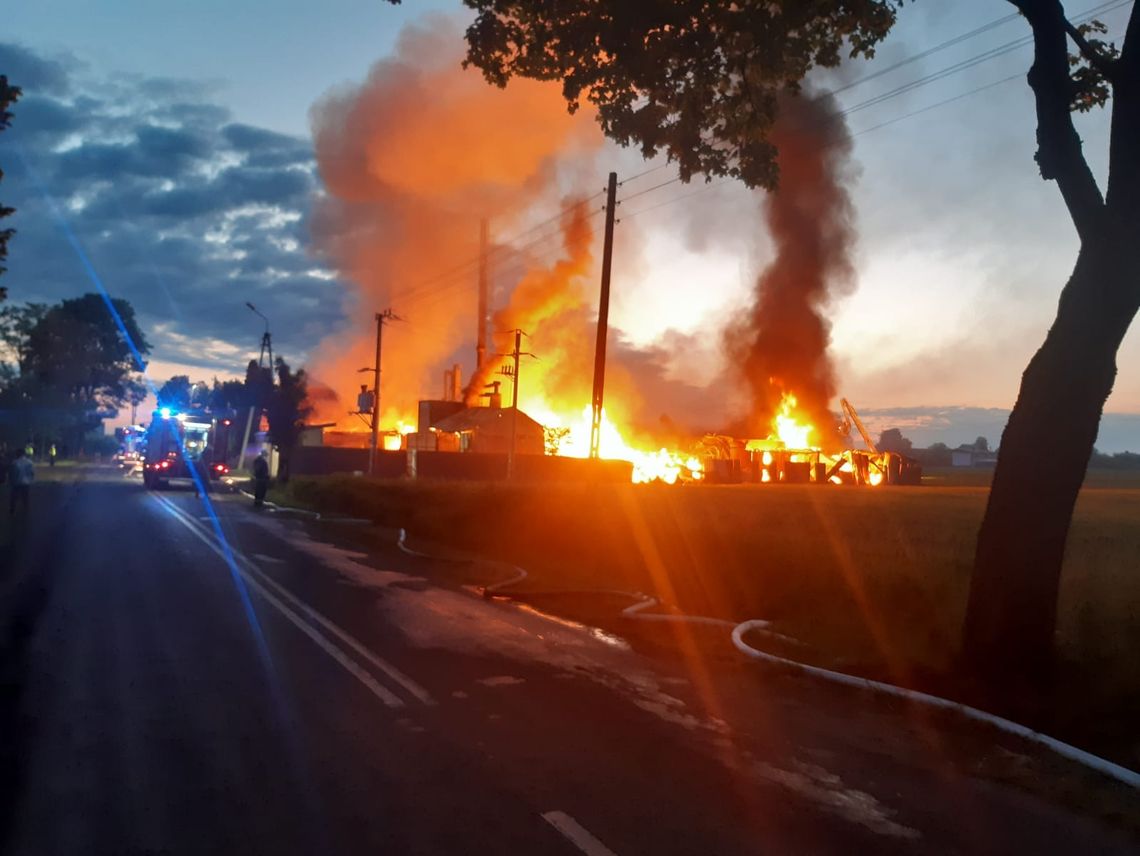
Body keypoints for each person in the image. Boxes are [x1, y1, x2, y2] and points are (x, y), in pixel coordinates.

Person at [8, 447, 34, 517]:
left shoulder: (15, 463)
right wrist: (30, 480)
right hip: (26, 483)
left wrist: (11, 482)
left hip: (17, 483)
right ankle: (26, 512)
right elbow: (32, 473)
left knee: (14, 498)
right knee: (25, 497)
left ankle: (12, 511)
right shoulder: (30, 462)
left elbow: (12, 474)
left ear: (17, 454)